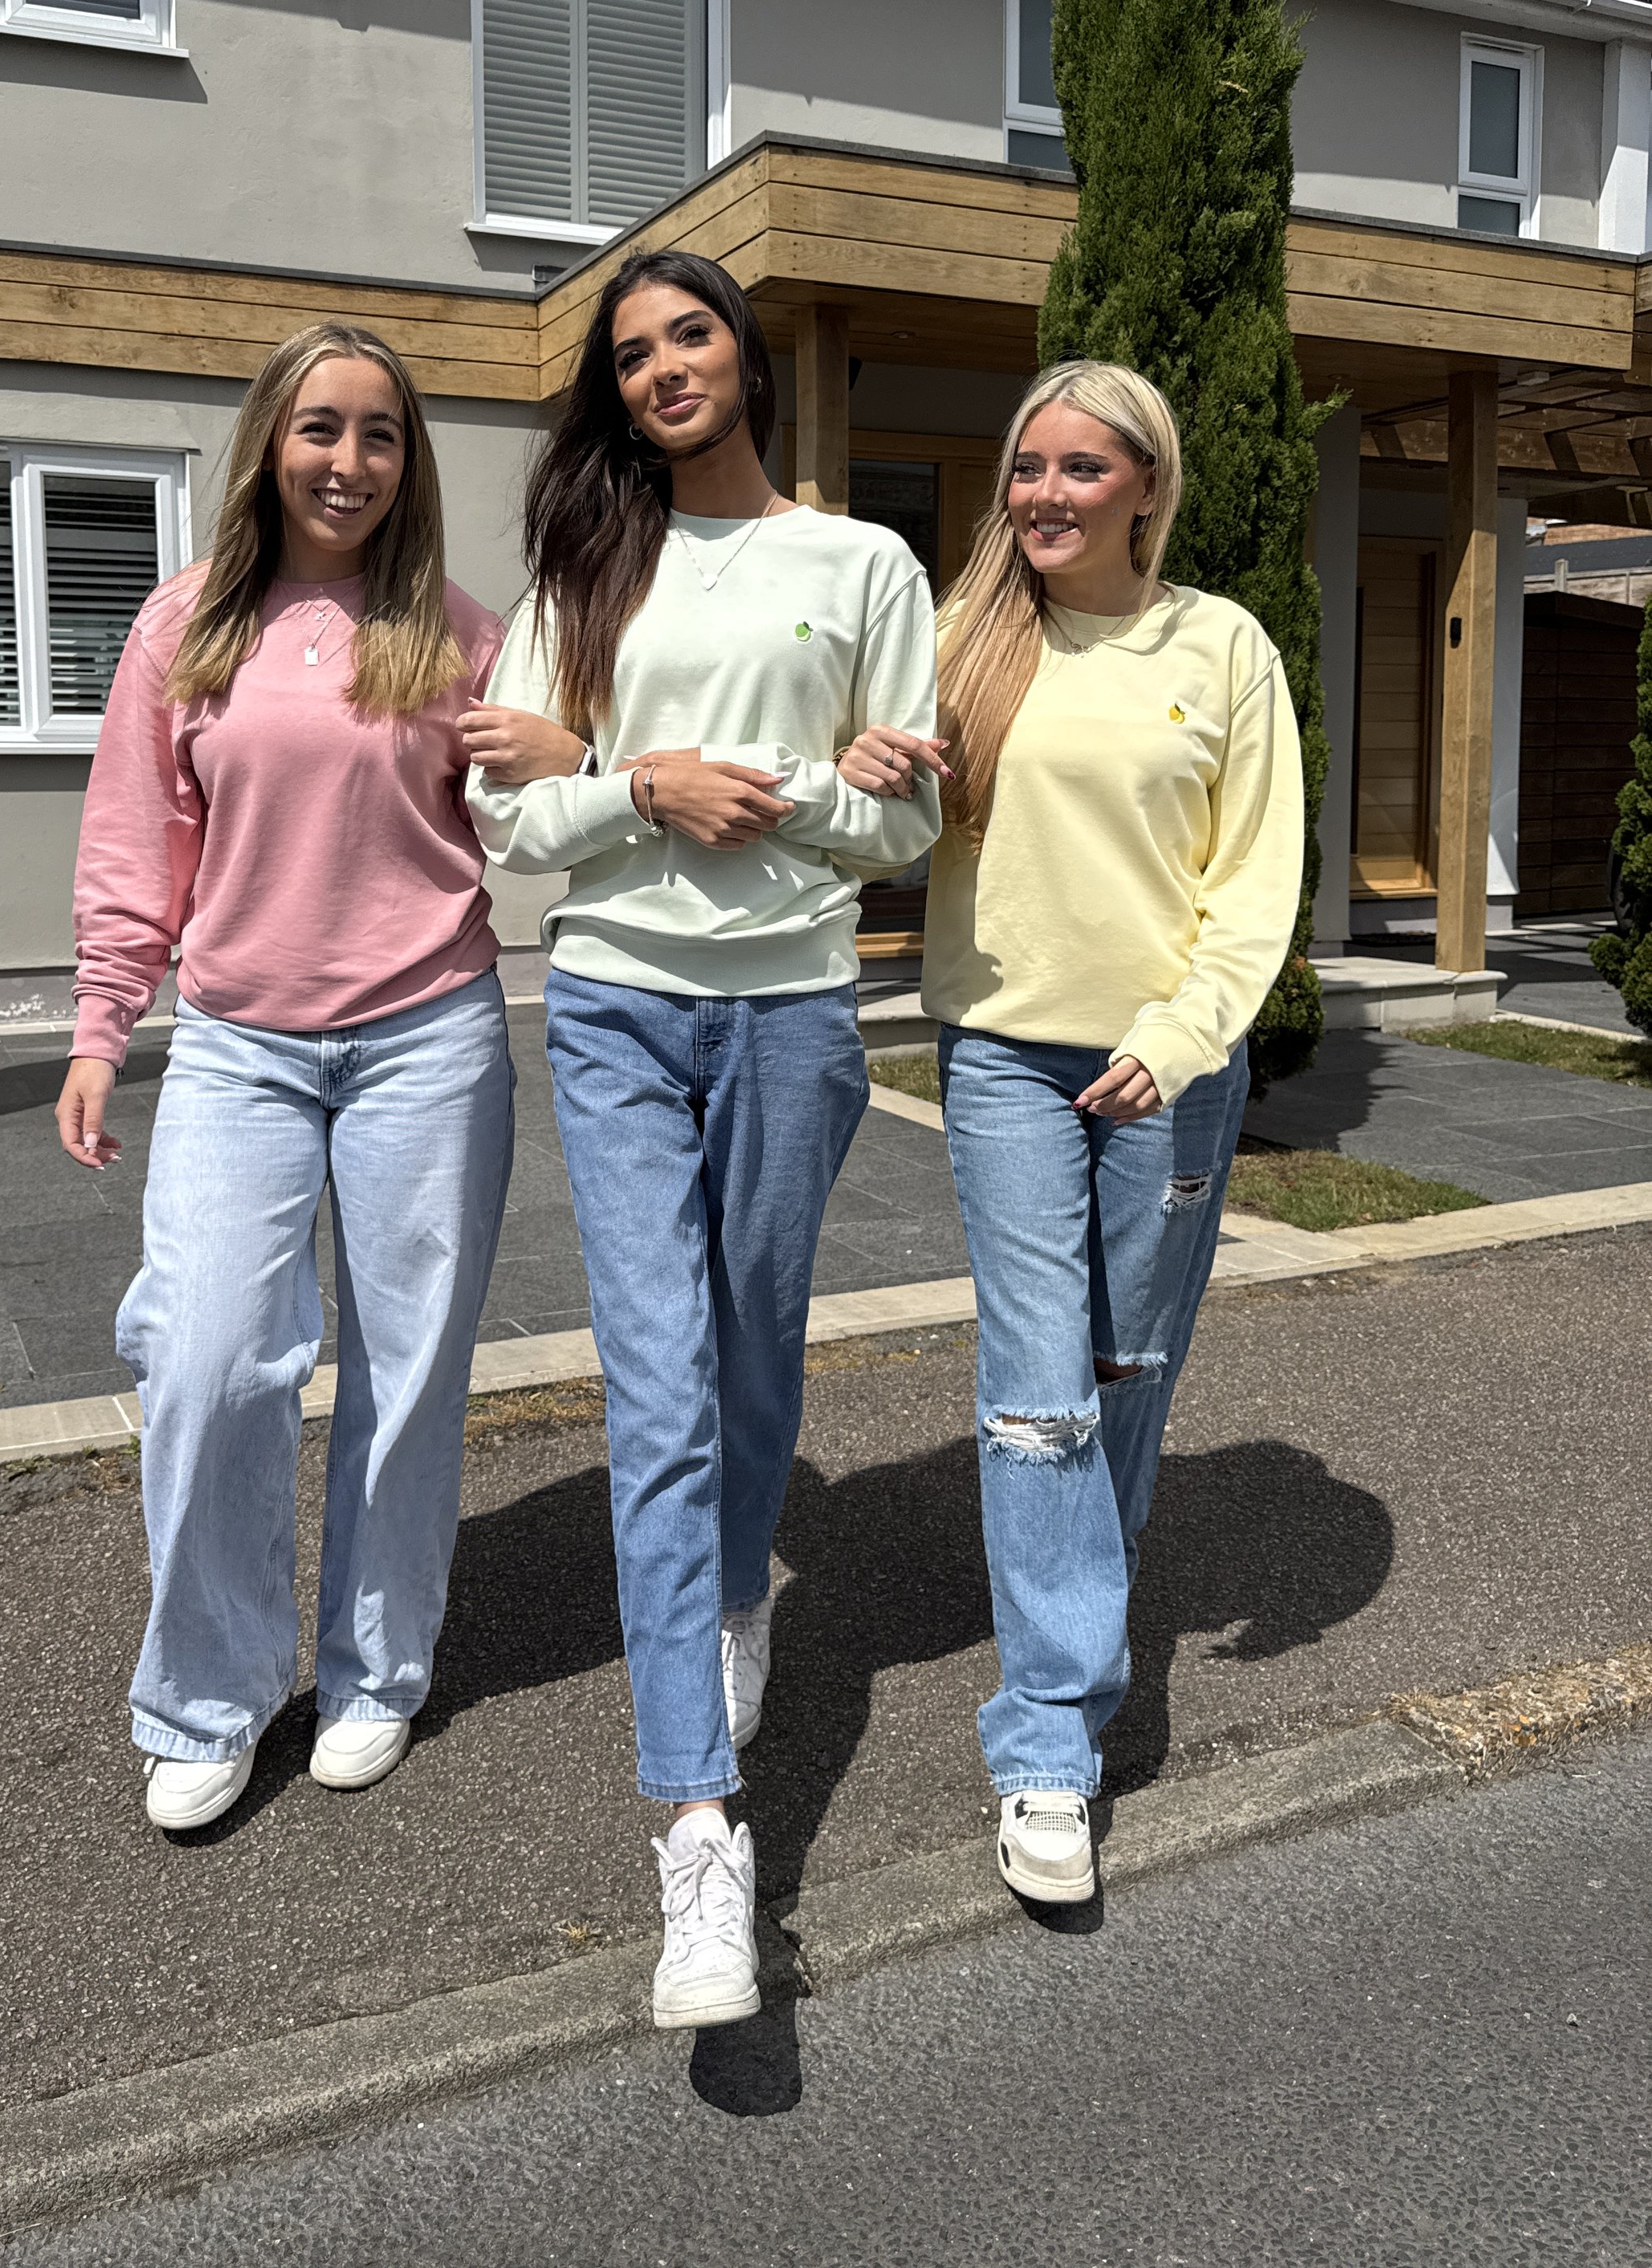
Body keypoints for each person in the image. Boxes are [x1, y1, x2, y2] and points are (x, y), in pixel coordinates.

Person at [463, 249, 941, 2029]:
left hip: (793, 1020)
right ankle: (697, 1839)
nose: (663, 365)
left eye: (688, 333)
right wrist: (636, 784)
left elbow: (905, 825)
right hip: (608, 1007)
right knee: (652, 1391)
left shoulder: (861, 564)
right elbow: (510, 810)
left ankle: (741, 1577)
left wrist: (794, 790)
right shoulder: (584, 564)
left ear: (741, 352)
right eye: (632, 351)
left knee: (752, 1358)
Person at [848, 358, 1303, 1907]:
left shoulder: (1221, 643)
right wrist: (869, 781)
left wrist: (1174, 1042)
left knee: (1125, 1376)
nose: (1043, 492)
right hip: (1002, 1059)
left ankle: (1071, 1636)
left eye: (1080, 468)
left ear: (1146, 488)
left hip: (1165, 1066)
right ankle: (1052, 1738)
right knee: (1039, 1386)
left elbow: (1254, 882)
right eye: (1027, 465)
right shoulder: (970, 640)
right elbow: (908, 837)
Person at [55, 324, 515, 1834]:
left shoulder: (457, 633)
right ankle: (209, 1689)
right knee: (204, 1359)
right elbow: (140, 843)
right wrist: (101, 1022)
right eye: (323, 428)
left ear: (410, 461)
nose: (350, 461)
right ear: (271, 439)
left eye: (381, 435)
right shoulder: (186, 623)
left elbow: (537, 813)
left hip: (429, 1036)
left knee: (407, 1377)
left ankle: (377, 1670)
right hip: (242, 1044)